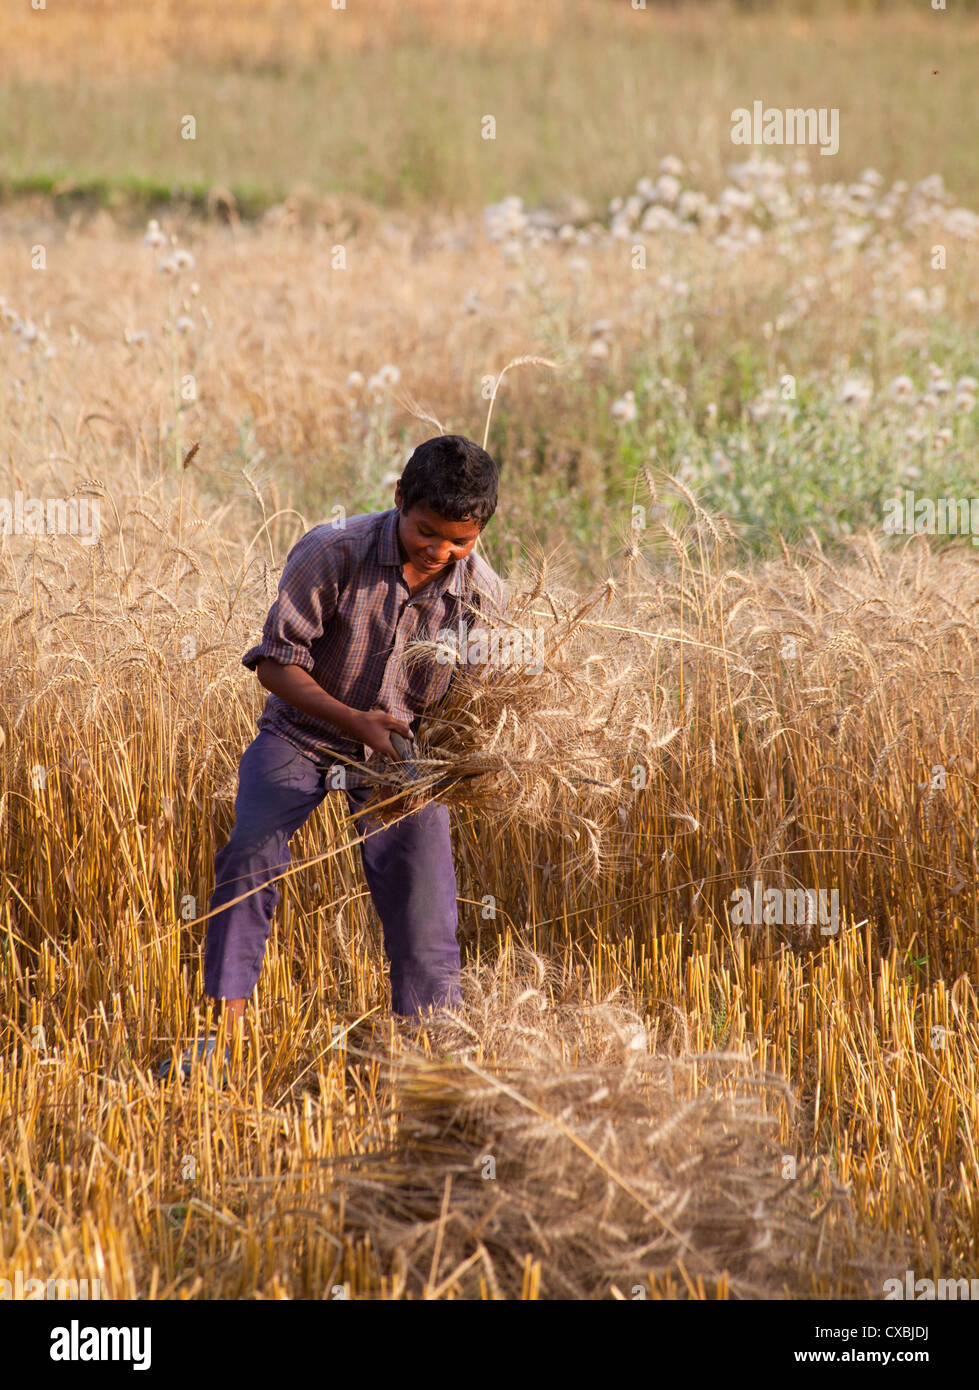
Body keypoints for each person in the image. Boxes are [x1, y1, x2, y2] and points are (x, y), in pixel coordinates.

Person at [159, 434, 504, 1080]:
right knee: (250, 855)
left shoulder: (483, 598)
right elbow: (273, 665)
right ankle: (219, 1038)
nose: (439, 553)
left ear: (480, 530)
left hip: (400, 761)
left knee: (425, 900)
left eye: (459, 541)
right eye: (426, 532)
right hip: (303, 732)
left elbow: (466, 714)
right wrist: (352, 720)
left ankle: (432, 1068)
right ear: (398, 499)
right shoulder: (332, 551)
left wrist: (430, 772)